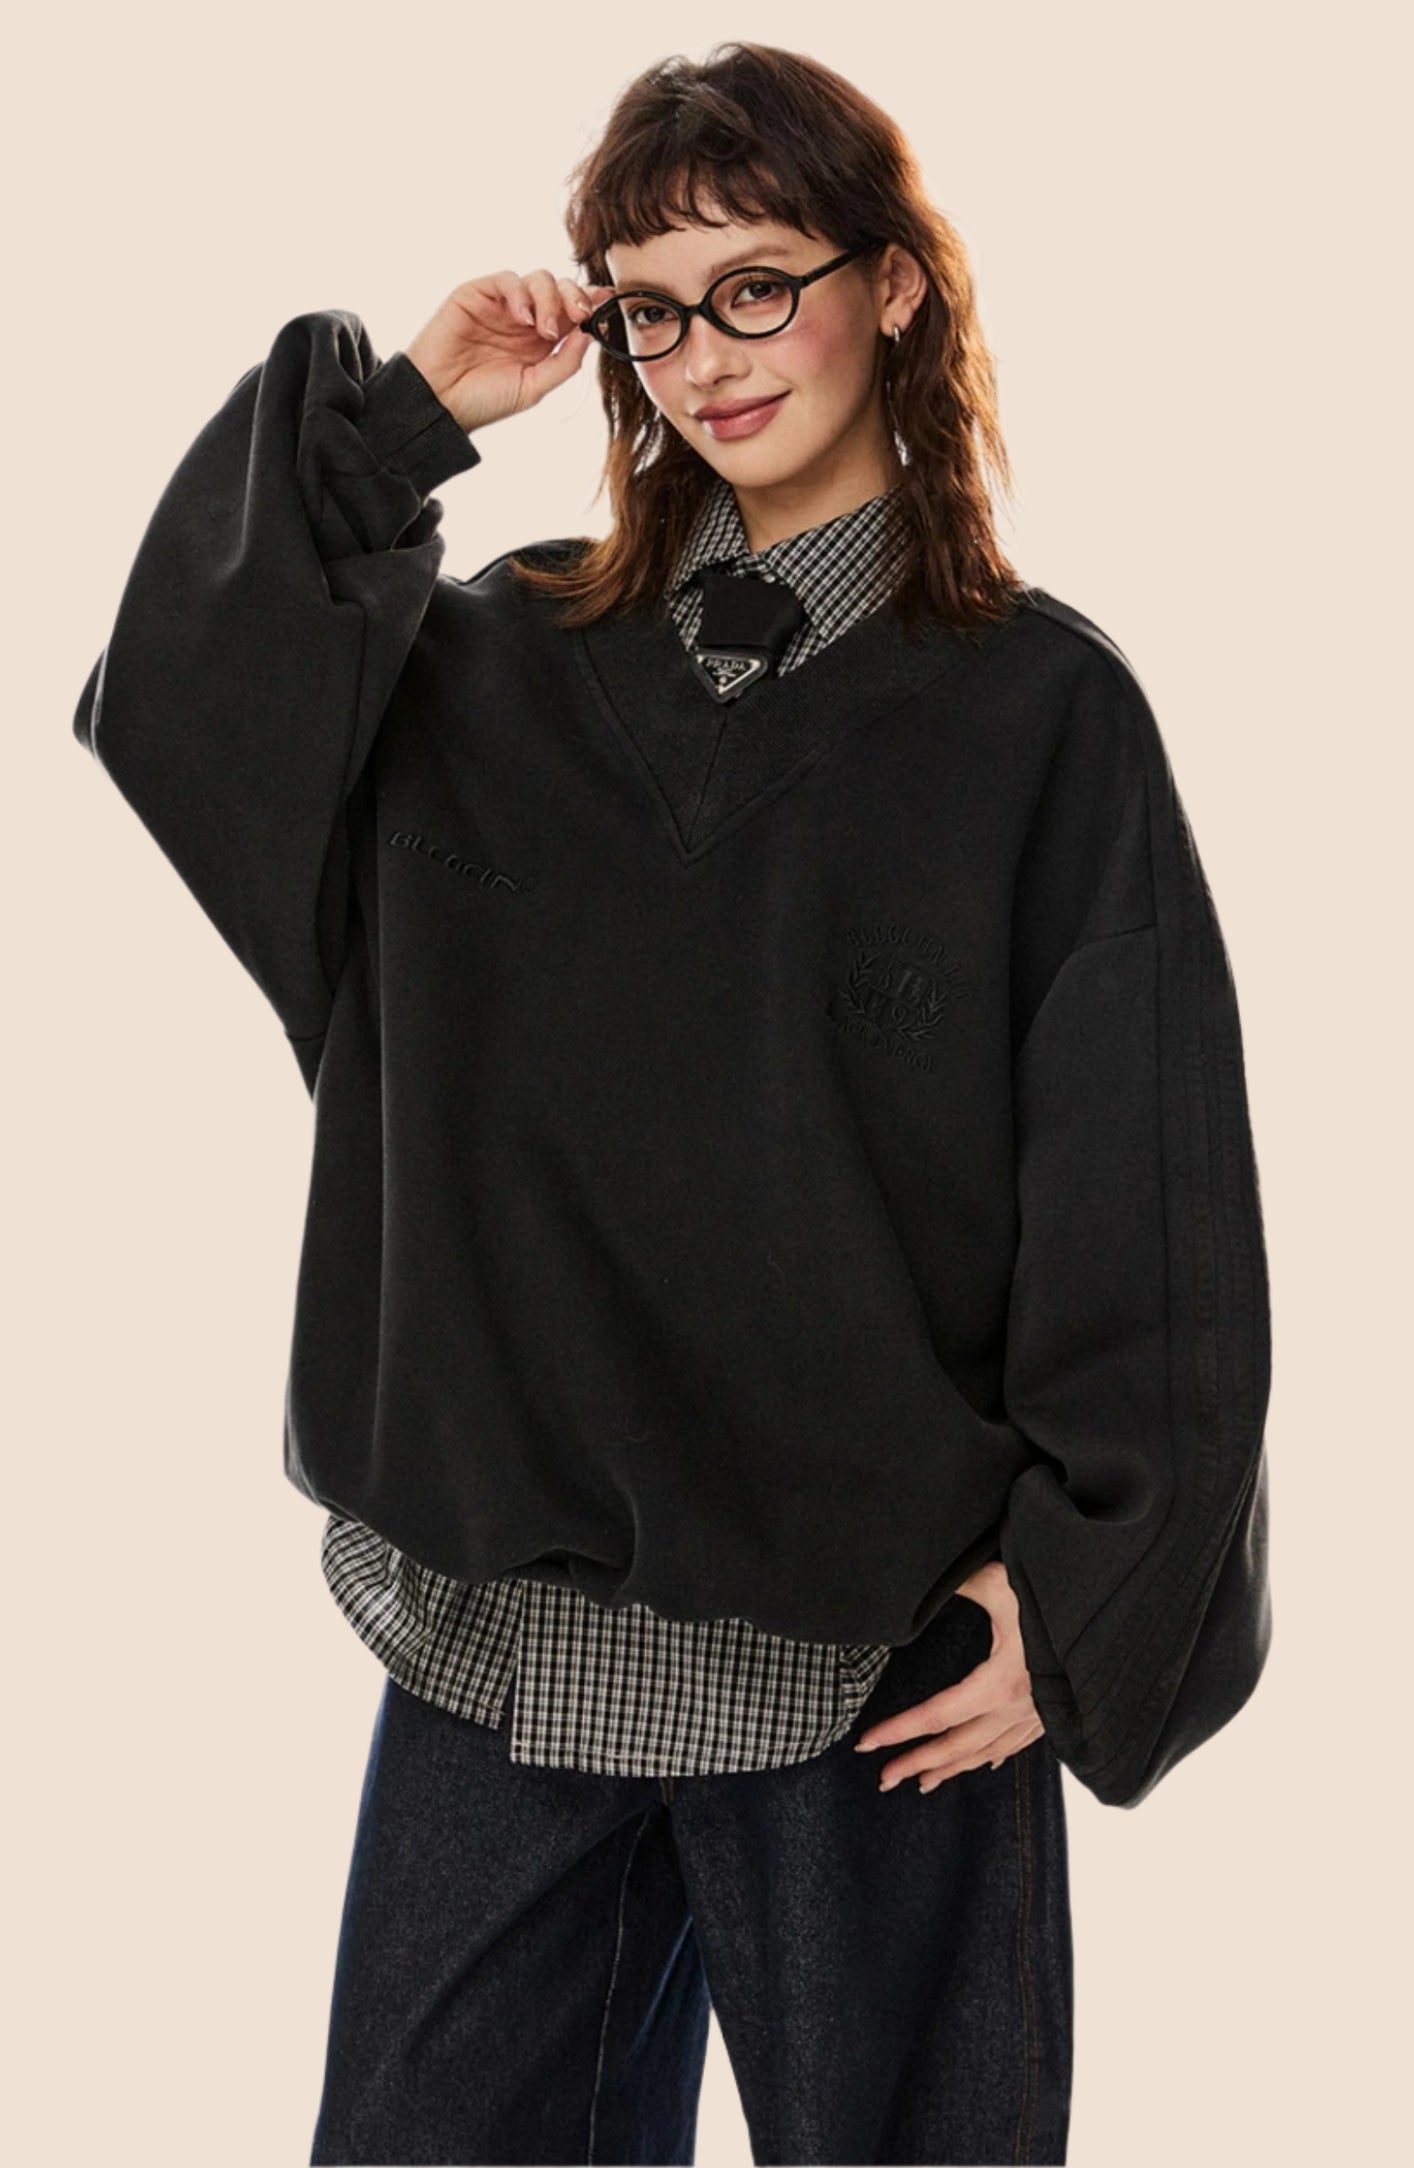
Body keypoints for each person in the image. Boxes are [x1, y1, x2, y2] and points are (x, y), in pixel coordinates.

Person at [72, 39, 1272, 2168]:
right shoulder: (492, 668)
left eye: (755, 285)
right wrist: (410, 416)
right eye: (650, 305)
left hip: (874, 1645)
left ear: (890, 286)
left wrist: (1095, 1580)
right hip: (507, 1630)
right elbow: (181, 704)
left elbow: (1146, 1178)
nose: (705, 354)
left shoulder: (1036, 715)